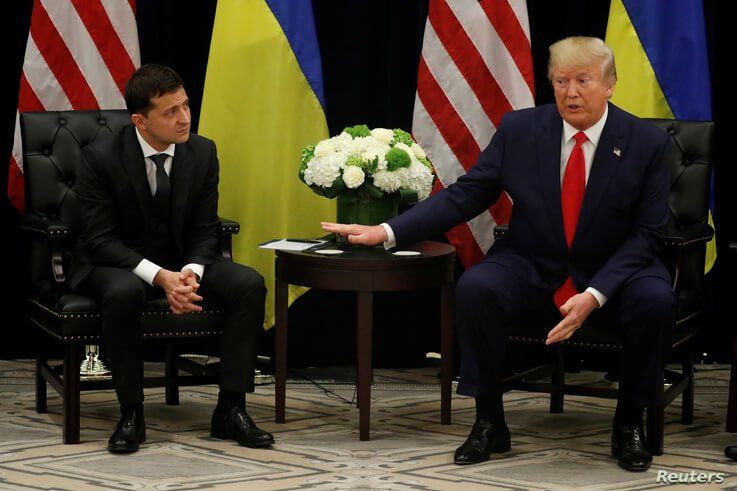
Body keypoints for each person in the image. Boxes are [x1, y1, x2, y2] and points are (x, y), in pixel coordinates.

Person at [322, 37, 675, 472]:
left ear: (610, 85)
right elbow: (465, 196)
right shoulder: (521, 130)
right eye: (561, 81)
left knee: (655, 300)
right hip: (534, 259)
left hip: (616, 265)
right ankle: (489, 421)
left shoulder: (646, 143)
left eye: (584, 81)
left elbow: (646, 236)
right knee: (476, 288)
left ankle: (629, 421)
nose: (571, 92)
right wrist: (386, 230)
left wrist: (596, 293)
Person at [72, 64, 274, 453]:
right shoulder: (100, 158)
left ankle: (230, 409)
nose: (184, 118)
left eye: (185, 106)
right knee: (122, 294)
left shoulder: (202, 151)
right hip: (117, 263)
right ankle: (131, 412)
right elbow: (99, 240)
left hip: (184, 261)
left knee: (248, 284)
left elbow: (205, 227)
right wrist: (159, 277)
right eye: (170, 112)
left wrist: (189, 274)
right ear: (139, 121)